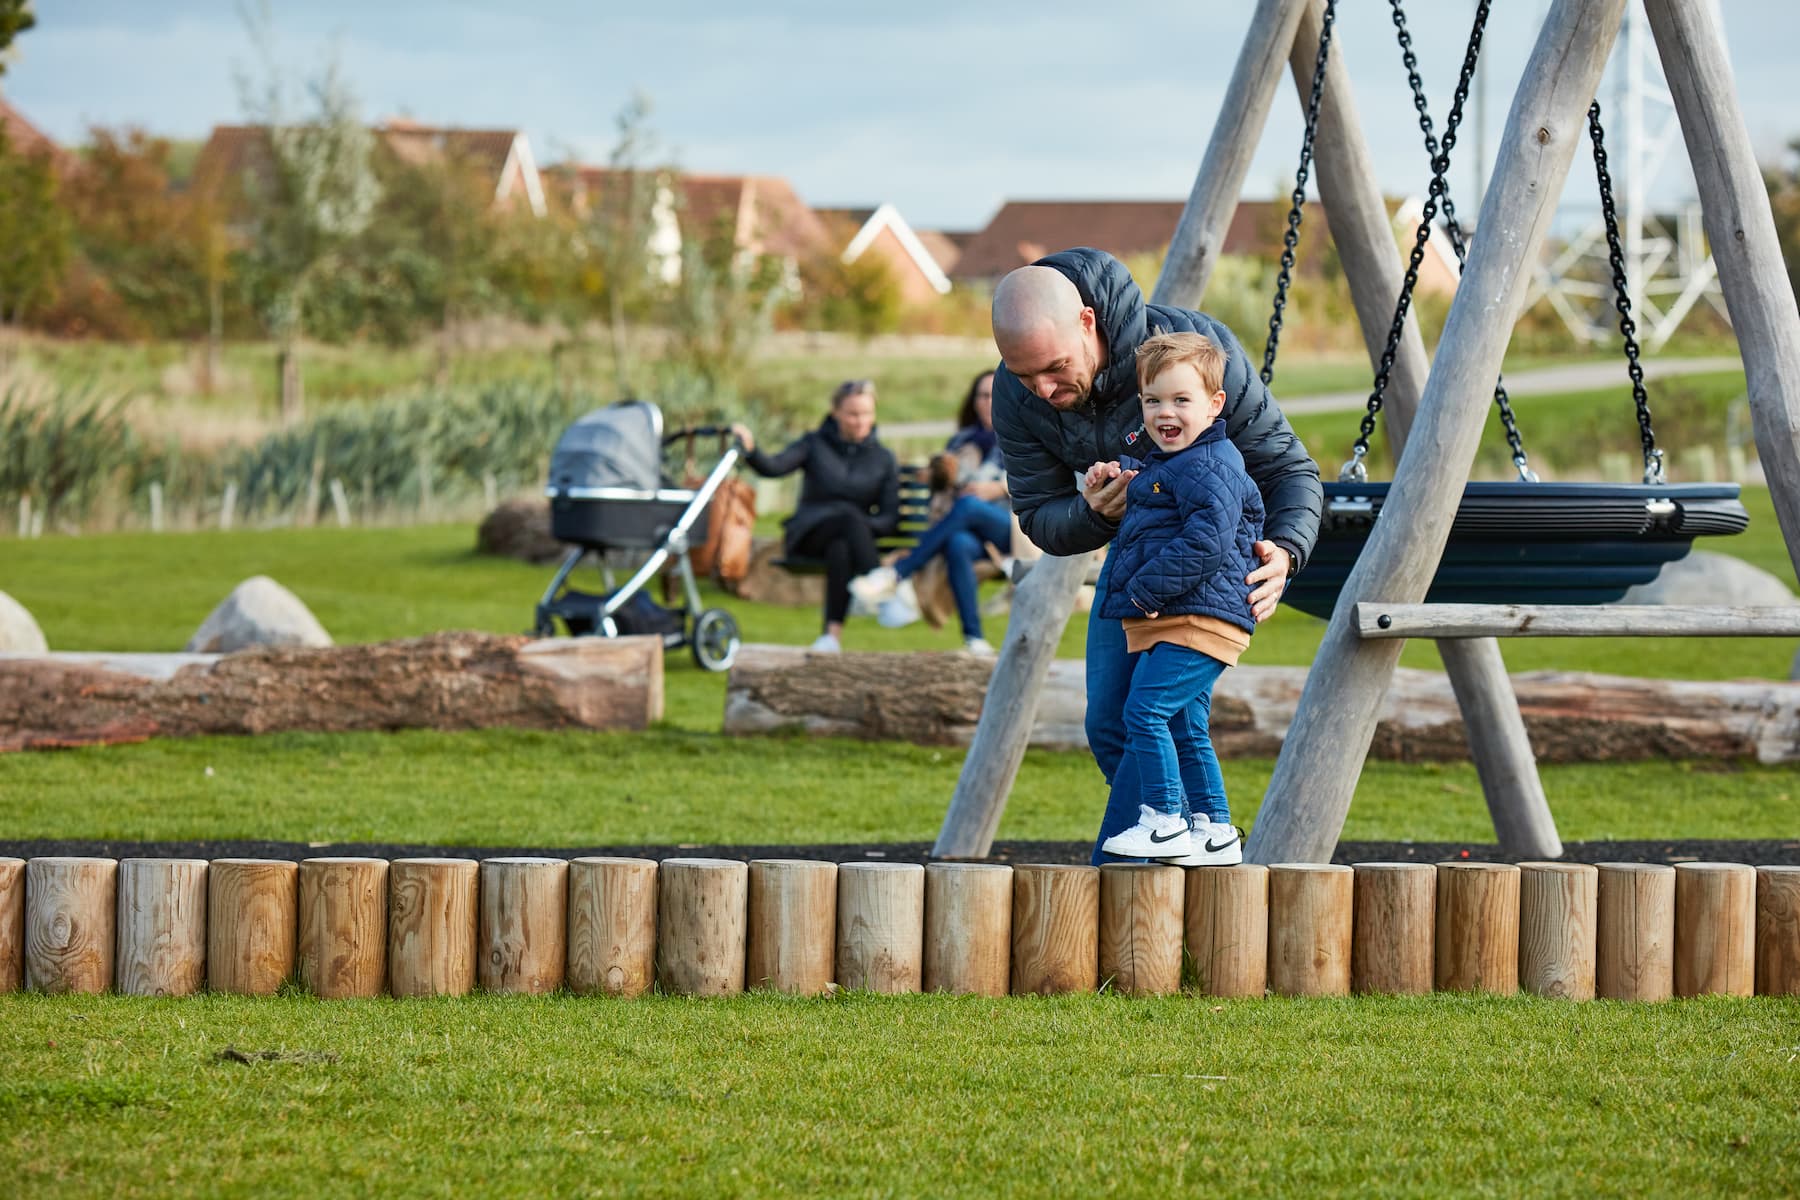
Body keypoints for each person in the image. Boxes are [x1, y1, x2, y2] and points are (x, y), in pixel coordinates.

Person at [989, 247, 1322, 867]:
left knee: (1151, 716)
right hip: (1137, 558)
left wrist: (1288, 549)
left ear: (1087, 322)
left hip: (1209, 566)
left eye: (1056, 368)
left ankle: (1129, 872)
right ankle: (1193, 843)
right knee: (1111, 727)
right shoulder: (1017, 393)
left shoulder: (1189, 352)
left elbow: (1289, 469)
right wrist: (1095, 514)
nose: (1043, 389)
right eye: (1024, 375)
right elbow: (1038, 513)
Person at [1085, 332, 1263, 861]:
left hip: (1198, 616)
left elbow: (1205, 543)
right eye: (1153, 400)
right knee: (1186, 724)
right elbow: (1148, 505)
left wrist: (1141, 592)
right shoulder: (1171, 461)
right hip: (1185, 614)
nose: (1165, 412)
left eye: (1181, 400)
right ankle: (1214, 828)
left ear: (1214, 406)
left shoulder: (1211, 465)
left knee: (1143, 712)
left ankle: (1165, 820)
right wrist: (1111, 478)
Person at [849, 369, 1011, 656]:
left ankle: (896, 574)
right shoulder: (960, 442)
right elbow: (940, 496)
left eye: (992, 394)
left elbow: (1043, 476)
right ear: (973, 401)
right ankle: (974, 640)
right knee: (957, 542)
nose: (987, 401)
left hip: (1015, 529)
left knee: (970, 505)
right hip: (971, 534)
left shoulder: (1020, 433)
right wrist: (940, 478)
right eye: (981, 395)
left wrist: (998, 488)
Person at [732, 379, 900, 653]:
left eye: (866, 413)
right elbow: (774, 467)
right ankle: (882, 590)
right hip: (808, 534)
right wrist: (751, 450)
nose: (860, 421)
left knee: (842, 546)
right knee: (847, 515)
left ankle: (830, 638)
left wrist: (858, 529)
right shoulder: (814, 444)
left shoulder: (883, 458)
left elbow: (888, 519)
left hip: (850, 537)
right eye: (853, 414)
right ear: (835, 412)